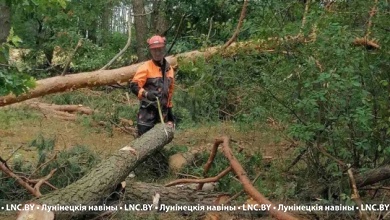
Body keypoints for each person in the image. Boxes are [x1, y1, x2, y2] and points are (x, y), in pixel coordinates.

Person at [129, 35, 175, 136]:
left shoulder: (169, 69)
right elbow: (134, 86)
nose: (157, 52)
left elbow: (169, 93)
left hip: (162, 114)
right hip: (147, 114)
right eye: (154, 50)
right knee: (144, 142)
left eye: (159, 49)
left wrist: (170, 113)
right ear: (151, 51)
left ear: (163, 49)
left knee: (160, 140)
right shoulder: (145, 67)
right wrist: (146, 94)